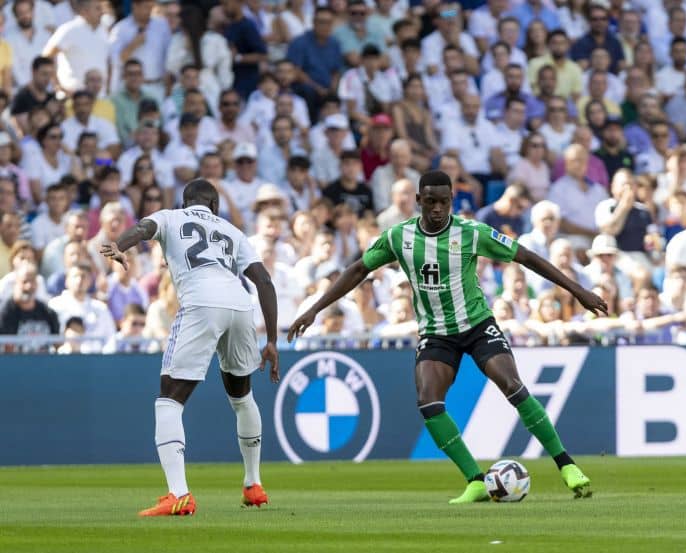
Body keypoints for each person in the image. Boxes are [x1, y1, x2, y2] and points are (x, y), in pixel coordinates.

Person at [287, 171, 606, 504]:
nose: (438, 209)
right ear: (418, 201)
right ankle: (476, 480)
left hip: (477, 324)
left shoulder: (472, 233)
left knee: (511, 384)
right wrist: (315, 308)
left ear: (452, 200)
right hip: (436, 333)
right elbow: (357, 270)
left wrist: (578, 290)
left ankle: (566, 465)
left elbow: (525, 257)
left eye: (444, 202)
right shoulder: (399, 237)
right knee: (428, 399)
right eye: (431, 202)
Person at [100, 178, 280, 517]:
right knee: (242, 398)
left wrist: (120, 246)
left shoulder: (171, 216)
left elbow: (142, 228)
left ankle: (178, 494)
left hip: (201, 303)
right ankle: (253, 484)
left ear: (186, 204)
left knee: (168, 400)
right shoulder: (232, 230)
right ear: (214, 206)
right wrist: (271, 340)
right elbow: (265, 282)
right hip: (241, 306)